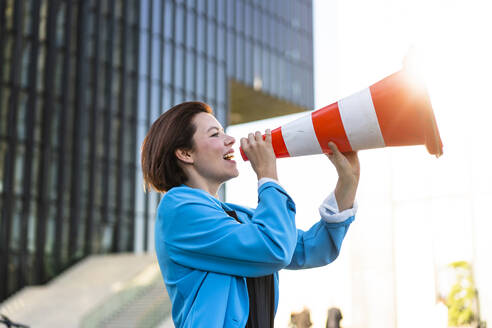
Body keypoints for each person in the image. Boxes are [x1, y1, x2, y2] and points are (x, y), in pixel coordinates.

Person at [141, 102, 360, 328]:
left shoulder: (237, 217)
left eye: (224, 131)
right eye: (215, 134)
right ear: (185, 153)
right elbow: (273, 247)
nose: (230, 140)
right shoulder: (178, 208)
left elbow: (312, 249)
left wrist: (347, 184)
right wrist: (267, 175)